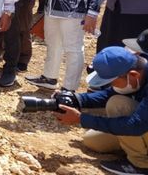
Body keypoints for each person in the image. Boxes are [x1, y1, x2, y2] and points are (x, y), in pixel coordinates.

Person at [54, 46, 148, 175]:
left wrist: (81, 119)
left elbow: (136, 124)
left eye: (112, 82)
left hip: (140, 125)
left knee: (118, 104)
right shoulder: (131, 73)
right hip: (142, 125)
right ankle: (137, 148)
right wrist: (75, 98)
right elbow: (106, 95)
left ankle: (141, 165)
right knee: (93, 141)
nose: (111, 86)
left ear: (133, 75)